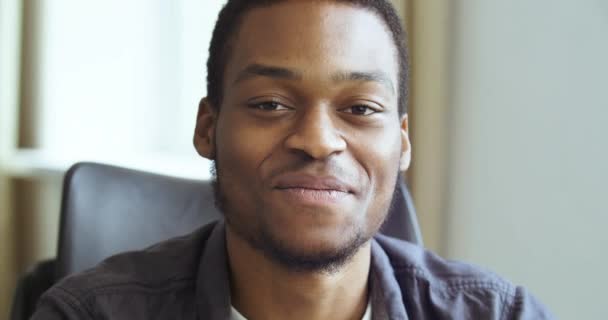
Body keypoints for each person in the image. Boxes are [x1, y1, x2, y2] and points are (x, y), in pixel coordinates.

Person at [31, 0, 554, 319]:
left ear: (402, 143)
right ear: (208, 129)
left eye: (360, 108)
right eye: (271, 104)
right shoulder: (89, 315)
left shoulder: (498, 314)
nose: (319, 140)